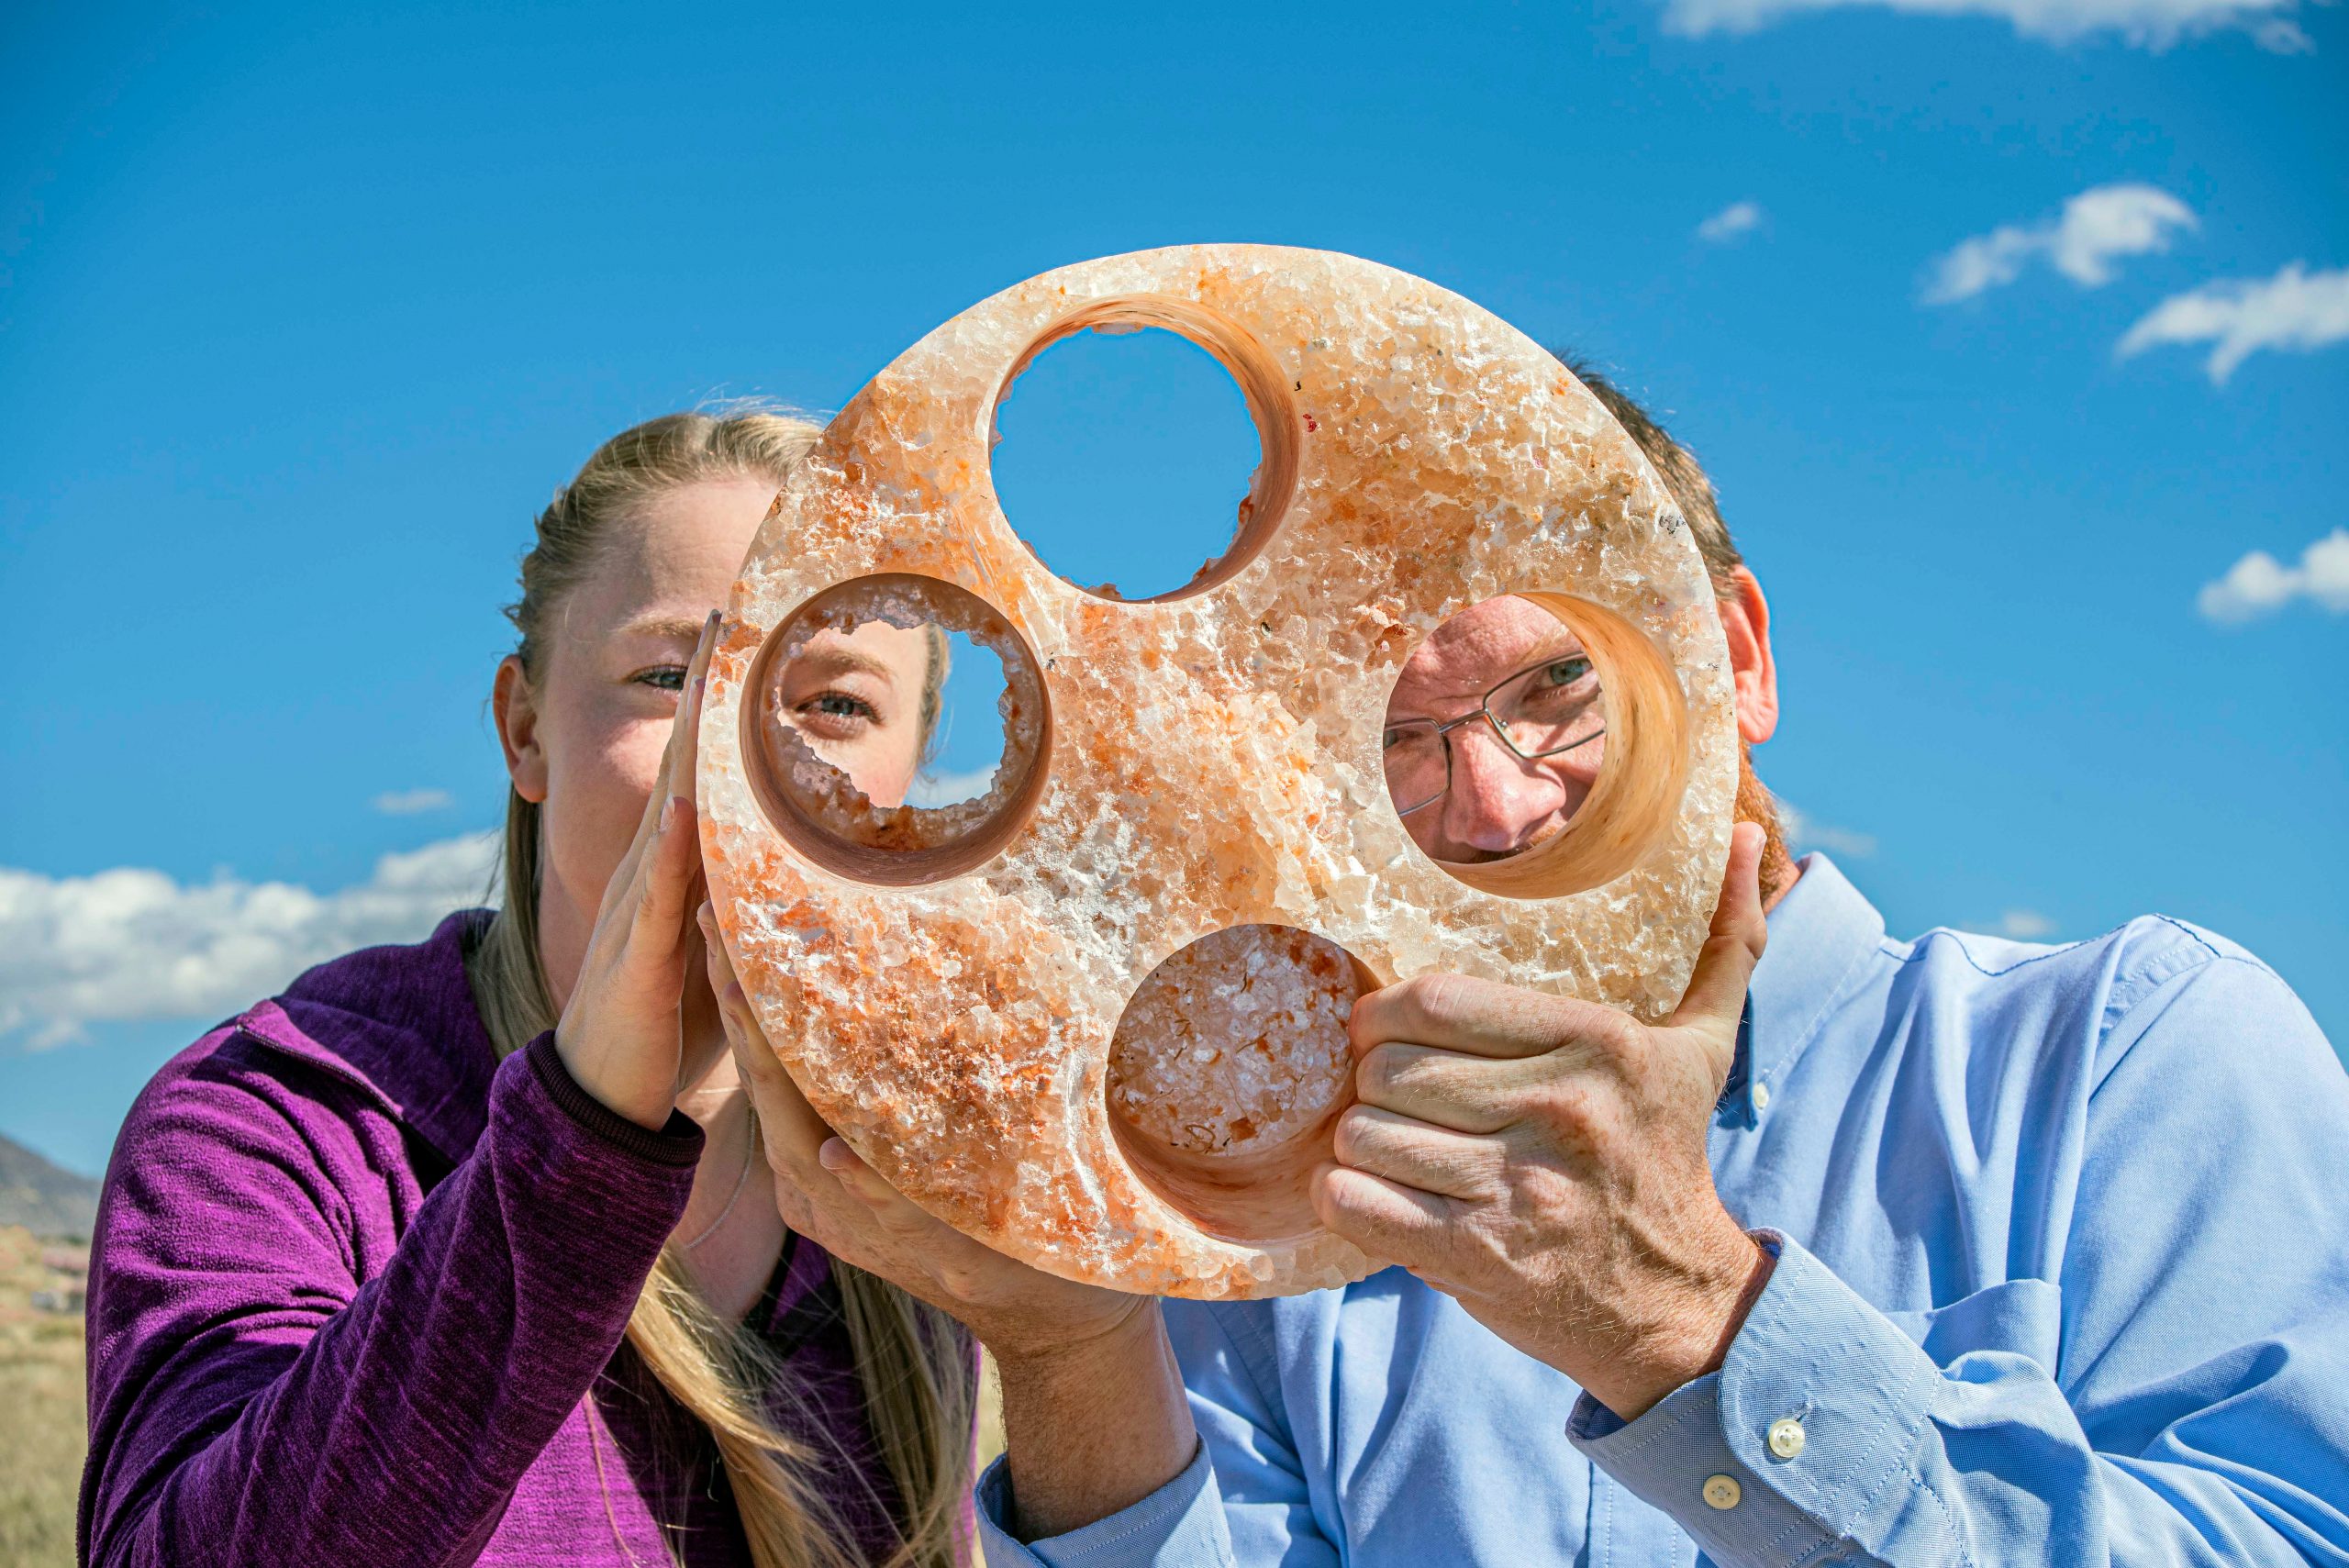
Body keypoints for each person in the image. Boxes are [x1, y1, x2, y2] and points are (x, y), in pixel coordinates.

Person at [711, 362, 2349, 1565]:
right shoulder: (1298, 1212)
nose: (1492, 801)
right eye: (1396, 739)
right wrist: (1075, 1360)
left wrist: (1685, 1323)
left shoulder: (2137, 1054)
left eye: (1559, 684)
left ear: (1741, 651)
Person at [80, 411, 976, 1568]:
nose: (745, 751)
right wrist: (584, 1129)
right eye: (671, 676)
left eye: (838, 702)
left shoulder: (906, 1168)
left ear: (920, 775)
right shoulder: (273, 1123)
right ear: (524, 728)